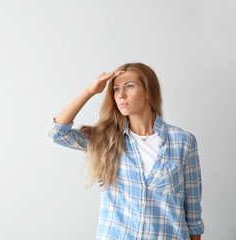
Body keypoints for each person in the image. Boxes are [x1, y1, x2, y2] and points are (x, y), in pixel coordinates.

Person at [45, 63, 204, 240]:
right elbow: (56, 133)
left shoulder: (183, 141)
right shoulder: (107, 139)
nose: (121, 94)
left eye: (129, 86)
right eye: (116, 89)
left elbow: (193, 212)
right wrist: (90, 91)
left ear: (148, 92)